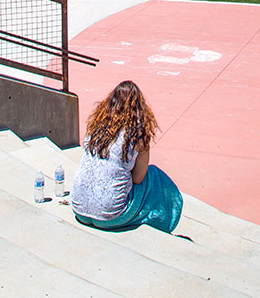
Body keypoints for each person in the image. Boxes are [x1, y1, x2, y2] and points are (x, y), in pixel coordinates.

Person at [71, 81, 183, 233]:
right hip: (111, 217)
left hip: (79, 208)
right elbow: (138, 179)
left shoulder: (95, 128)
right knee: (154, 176)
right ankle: (163, 223)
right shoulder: (138, 134)